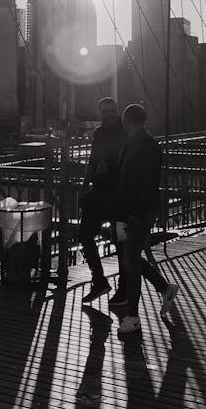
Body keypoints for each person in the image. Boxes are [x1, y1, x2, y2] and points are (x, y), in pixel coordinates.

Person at [114, 104, 178, 336]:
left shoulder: (145, 145)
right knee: (131, 259)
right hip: (134, 209)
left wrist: (136, 213)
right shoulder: (138, 143)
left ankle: (132, 316)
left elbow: (147, 182)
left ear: (129, 120)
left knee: (130, 261)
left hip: (139, 210)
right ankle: (164, 288)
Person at [79, 97, 126, 303]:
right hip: (99, 191)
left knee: (122, 242)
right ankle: (98, 279)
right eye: (105, 111)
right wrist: (84, 186)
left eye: (112, 110)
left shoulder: (125, 133)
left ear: (118, 111)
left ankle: (123, 289)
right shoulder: (99, 133)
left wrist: (110, 167)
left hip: (118, 194)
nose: (109, 114)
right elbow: (93, 160)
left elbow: (127, 162)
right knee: (84, 234)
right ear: (100, 113)